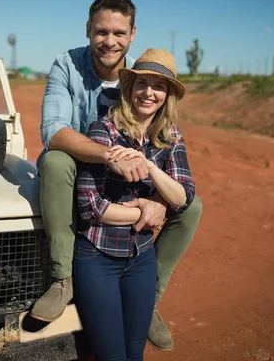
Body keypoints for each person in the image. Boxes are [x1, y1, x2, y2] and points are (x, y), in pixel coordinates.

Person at [32, 0, 203, 351]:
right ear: (88, 30)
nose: (109, 41)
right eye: (101, 31)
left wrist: (156, 199)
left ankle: (147, 297)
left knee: (193, 207)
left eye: (119, 33)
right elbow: (53, 130)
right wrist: (108, 156)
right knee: (54, 160)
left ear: (132, 34)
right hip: (85, 158)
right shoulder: (67, 65)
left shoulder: (143, 78)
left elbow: (157, 146)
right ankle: (63, 278)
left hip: (126, 176)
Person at [73, 47, 195, 360]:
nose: (149, 92)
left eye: (159, 86)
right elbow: (90, 207)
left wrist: (150, 166)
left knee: (134, 354)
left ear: (166, 95)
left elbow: (183, 197)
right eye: (142, 83)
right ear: (129, 87)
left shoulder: (170, 135)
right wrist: (144, 210)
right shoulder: (104, 130)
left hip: (141, 258)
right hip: (98, 257)